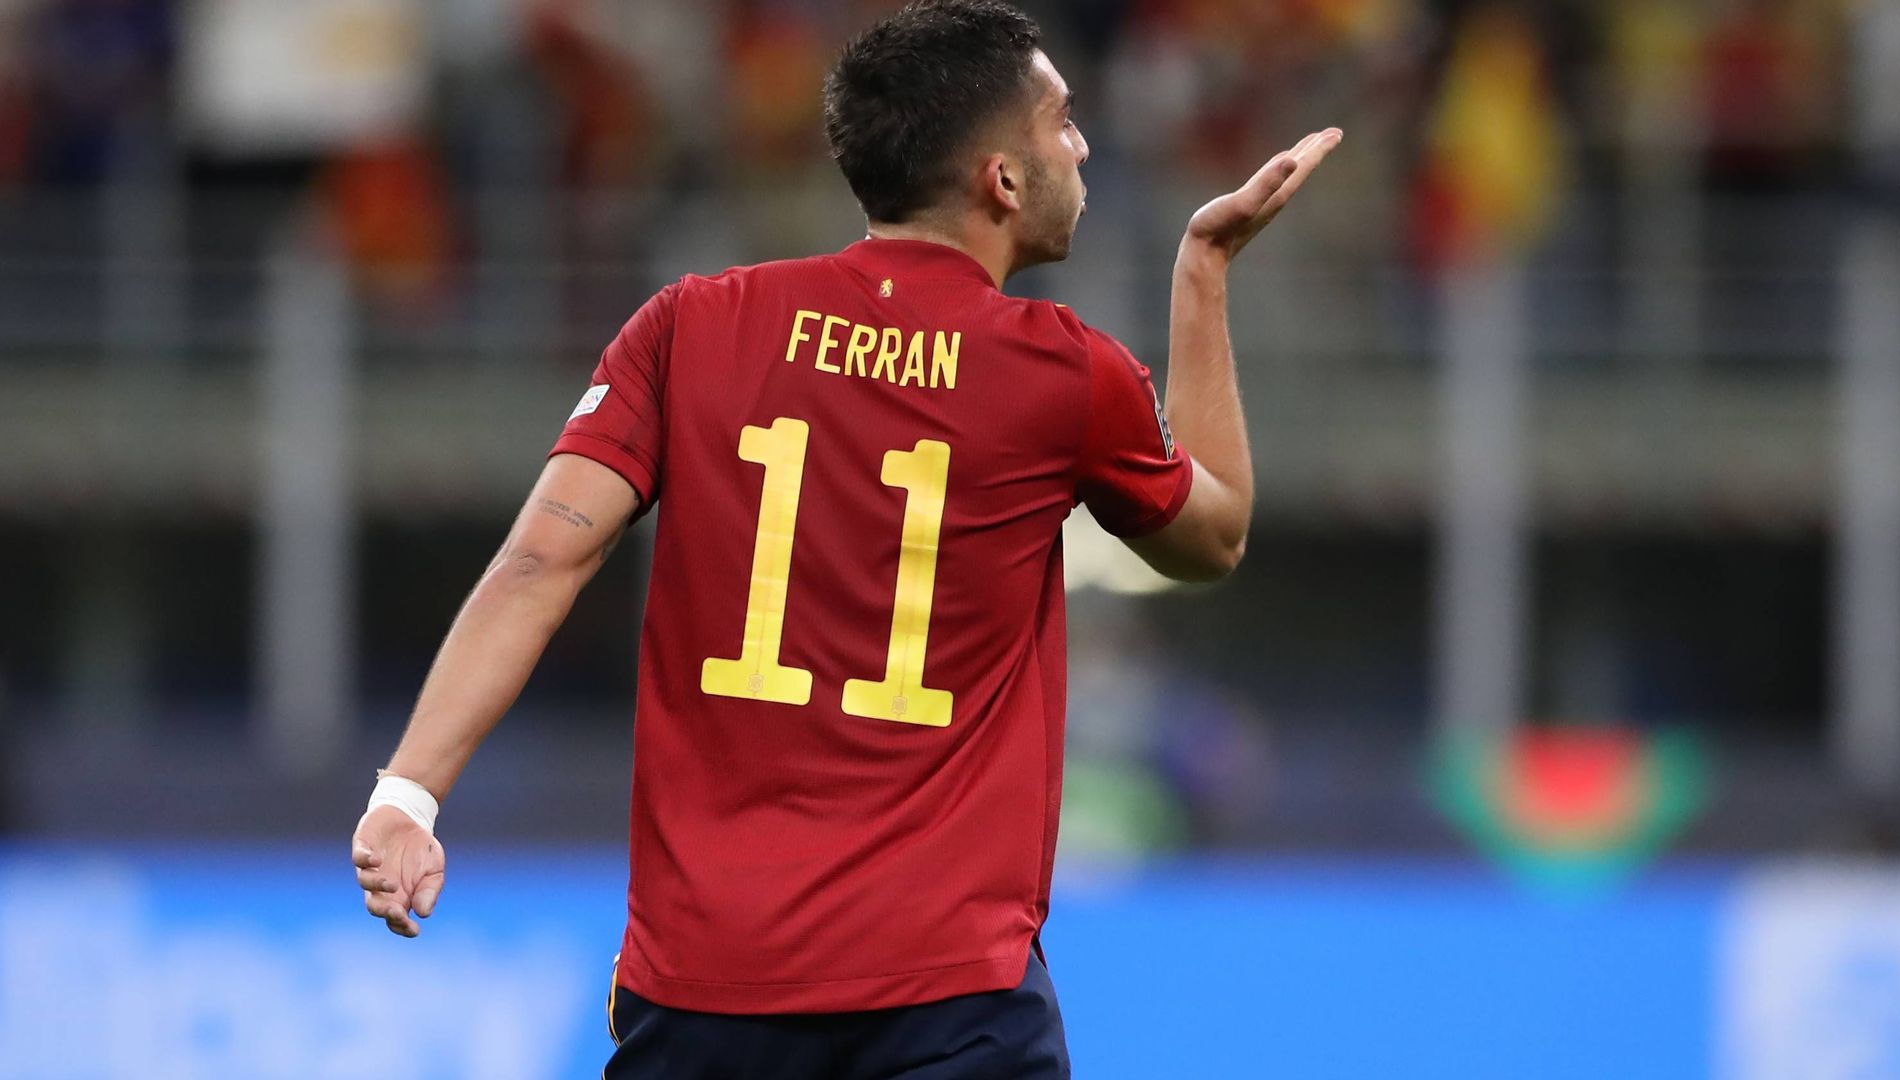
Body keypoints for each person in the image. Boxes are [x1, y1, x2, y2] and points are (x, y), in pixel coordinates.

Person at [349, 2, 1339, 1076]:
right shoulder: (1064, 371)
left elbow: (541, 559)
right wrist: (1204, 271)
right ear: (1003, 180)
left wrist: (408, 794)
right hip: (949, 998)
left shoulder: (691, 324)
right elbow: (1213, 537)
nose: (1083, 146)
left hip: (706, 991)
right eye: (1062, 121)